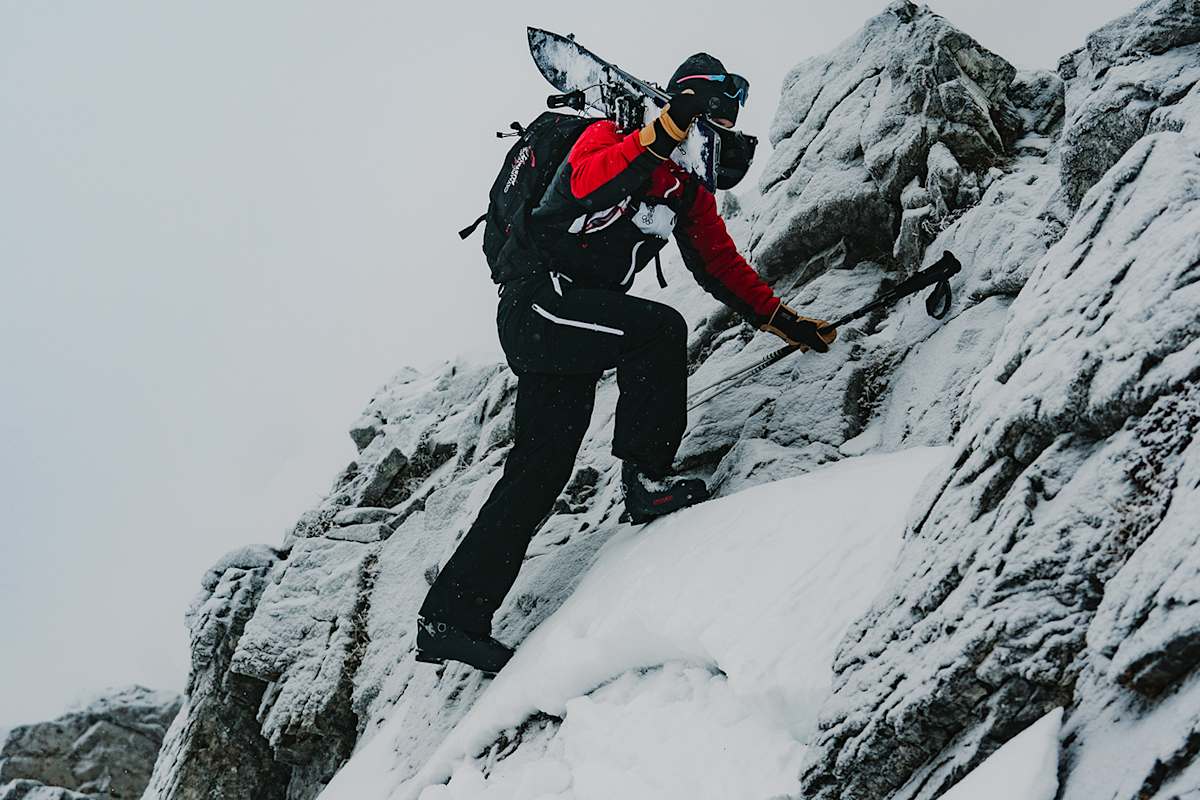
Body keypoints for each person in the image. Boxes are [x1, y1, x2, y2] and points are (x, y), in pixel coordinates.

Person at [416, 53, 838, 673]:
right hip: (541, 302)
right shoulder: (612, 135)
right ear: (696, 106)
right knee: (659, 331)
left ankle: (450, 618)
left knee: (540, 470)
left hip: (570, 325)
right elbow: (578, 189)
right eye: (718, 109)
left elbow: (720, 264)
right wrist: (656, 135)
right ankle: (647, 479)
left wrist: (781, 320)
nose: (724, 123)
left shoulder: (686, 190)